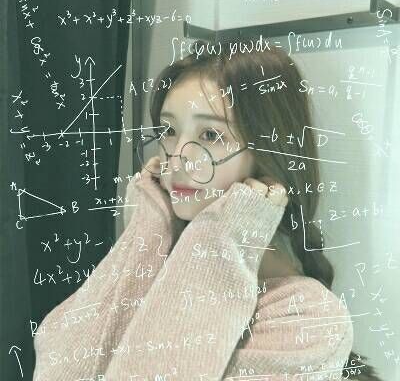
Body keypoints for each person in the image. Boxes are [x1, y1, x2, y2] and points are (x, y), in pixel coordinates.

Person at [32, 40, 382, 381]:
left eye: (211, 135)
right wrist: (148, 227)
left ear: (268, 154)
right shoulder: (159, 261)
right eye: (169, 130)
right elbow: (58, 369)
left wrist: (220, 240)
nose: (178, 158)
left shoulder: (308, 318)